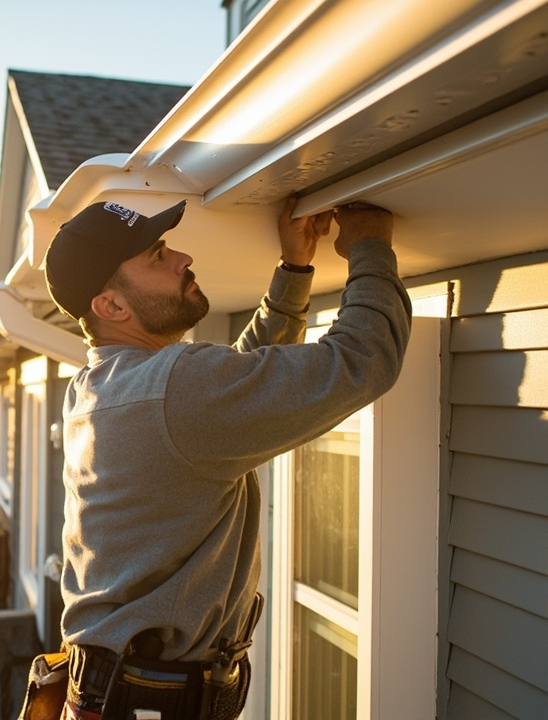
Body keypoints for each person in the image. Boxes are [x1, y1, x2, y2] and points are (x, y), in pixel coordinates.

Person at [40, 196, 412, 720]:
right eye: (157, 256)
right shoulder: (173, 391)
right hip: (144, 700)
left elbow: (233, 387)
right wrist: (369, 245)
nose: (183, 258)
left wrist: (295, 270)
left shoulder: (100, 384)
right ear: (113, 307)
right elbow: (361, 362)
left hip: (120, 692)